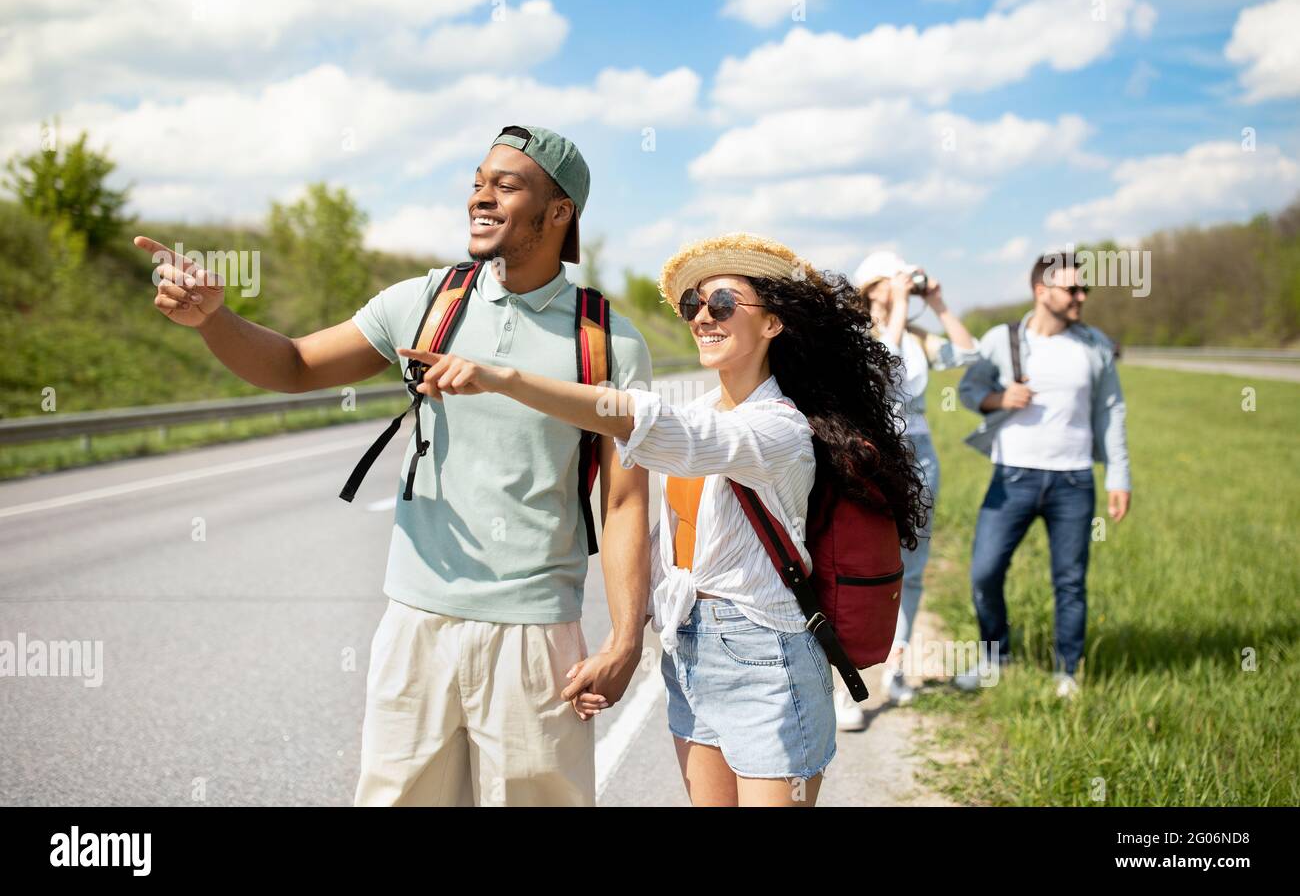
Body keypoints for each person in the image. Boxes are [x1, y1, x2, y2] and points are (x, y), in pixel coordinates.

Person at [133, 124, 654, 806]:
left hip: (535, 636)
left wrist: (625, 640)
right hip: (416, 625)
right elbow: (294, 364)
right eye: (476, 183)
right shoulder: (424, 302)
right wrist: (214, 320)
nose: (480, 198)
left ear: (559, 212)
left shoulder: (608, 340)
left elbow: (622, 502)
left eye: (506, 185)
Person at [397, 233, 928, 806]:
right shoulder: (702, 411)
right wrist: (621, 643)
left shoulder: (780, 429)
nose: (703, 317)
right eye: (692, 306)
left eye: (722, 305)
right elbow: (672, 546)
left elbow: (655, 427)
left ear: (772, 323)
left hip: (769, 659)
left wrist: (507, 379)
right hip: (692, 649)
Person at [956, 251, 1131, 699]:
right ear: (1041, 292)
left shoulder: (1094, 346)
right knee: (985, 572)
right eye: (1072, 289)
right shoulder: (1004, 338)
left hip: (1073, 481)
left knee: (1069, 580)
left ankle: (1067, 672)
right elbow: (970, 389)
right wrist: (1000, 399)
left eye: (1083, 289)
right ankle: (996, 655)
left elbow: (1112, 411)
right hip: (1013, 477)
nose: (1081, 296)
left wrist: (1119, 477)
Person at [833, 252, 979, 728]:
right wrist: (896, 306)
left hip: (920, 451)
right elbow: (884, 371)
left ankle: (896, 667)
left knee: (911, 570)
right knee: (858, 567)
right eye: (890, 278)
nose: (900, 285)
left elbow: (970, 354)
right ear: (869, 286)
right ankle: (846, 686)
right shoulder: (854, 337)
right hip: (871, 454)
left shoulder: (917, 334)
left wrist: (937, 304)